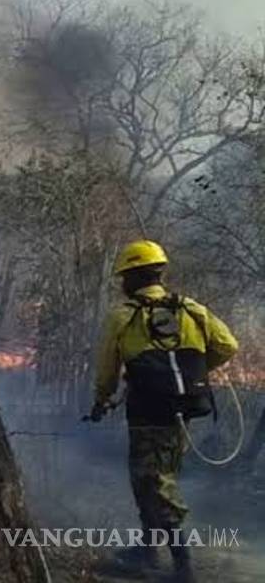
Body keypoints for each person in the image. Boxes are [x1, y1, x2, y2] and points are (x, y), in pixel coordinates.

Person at [90, 240, 238, 583]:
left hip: (146, 414)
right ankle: (147, 551)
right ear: (158, 272)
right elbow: (227, 345)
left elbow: (106, 368)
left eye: (124, 276)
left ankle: (182, 567)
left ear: (132, 276)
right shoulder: (191, 309)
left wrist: (102, 399)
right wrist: (195, 373)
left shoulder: (123, 315)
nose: (122, 283)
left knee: (155, 483)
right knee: (151, 478)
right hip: (183, 410)